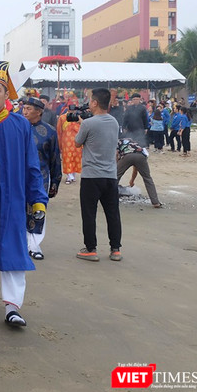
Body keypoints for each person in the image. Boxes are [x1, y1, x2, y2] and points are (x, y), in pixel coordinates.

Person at [0, 60, 47, 328]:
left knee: (14, 248)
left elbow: (31, 165)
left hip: (13, 196)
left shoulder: (20, 125)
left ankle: (13, 306)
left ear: (7, 94)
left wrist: (37, 198)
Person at [74, 88, 122, 262]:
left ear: (95, 102)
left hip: (91, 176)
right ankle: (115, 249)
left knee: (89, 213)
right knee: (112, 213)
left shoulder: (88, 123)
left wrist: (81, 124)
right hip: (110, 175)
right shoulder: (114, 122)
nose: (88, 103)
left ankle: (90, 248)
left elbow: (77, 143)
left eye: (90, 100)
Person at [21, 97, 62, 260]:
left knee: (38, 211)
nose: (25, 111)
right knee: (19, 209)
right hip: (18, 176)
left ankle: (35, 245)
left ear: (39, 112)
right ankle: (22, 244)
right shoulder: (17, 128)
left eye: (29, 109)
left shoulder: (50, 131)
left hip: (40, 177)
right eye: (24, 108)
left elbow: (55, 158)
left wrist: (56, 181)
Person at [117, 137, 162, 208]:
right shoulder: (136, 144)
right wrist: (132, 181)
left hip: (127, 156)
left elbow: (116, 154)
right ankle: (156, 202)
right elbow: (136, 169)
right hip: (141, 156)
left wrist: (116, 165)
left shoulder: (118, 142)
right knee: (147, 178)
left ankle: (109, 197)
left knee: (115, 176)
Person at [57, 104, 82, 184]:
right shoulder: (62, 117)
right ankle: (69, 177)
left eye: (73, 110)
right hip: (66, 142)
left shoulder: (78, 117)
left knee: (75, 158)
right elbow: (59, 131)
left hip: (77, 141)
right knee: (67, 158)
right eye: (71, 110)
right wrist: (59, 142)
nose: (72, 111)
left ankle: (73, 175)